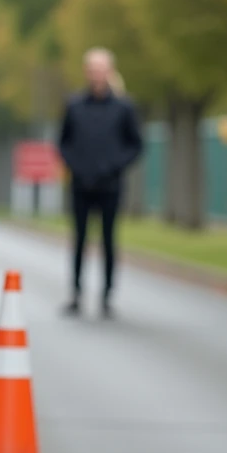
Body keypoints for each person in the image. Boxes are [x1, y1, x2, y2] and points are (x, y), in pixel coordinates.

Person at [57, 47, 143, 318]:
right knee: (79, 239)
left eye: (101, 68)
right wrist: (76, 166)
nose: (97, 74)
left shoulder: (123, 108)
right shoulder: (74, 106)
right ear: (87, 72)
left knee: (108, 239)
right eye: (92, 69)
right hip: (81, 184)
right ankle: (76, 293)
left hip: (110, 185)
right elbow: (63, 143)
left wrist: (114, 166)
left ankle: (107, 296)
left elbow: (135, 145)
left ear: (110, 71)